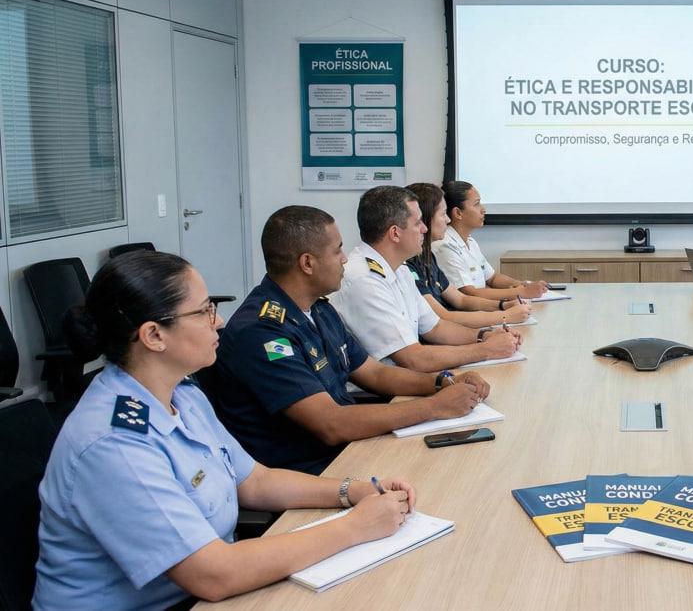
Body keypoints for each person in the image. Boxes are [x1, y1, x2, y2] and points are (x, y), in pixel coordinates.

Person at [34, 251, 417, 609]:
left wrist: (352, 491)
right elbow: (214, 574)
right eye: (203, 312)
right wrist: (355, 527)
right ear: (154, 336)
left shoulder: (183, 393)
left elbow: (254, 482)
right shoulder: (114, 443)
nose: (218, 320)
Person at [210, 205, 491, 475]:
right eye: (337, 250)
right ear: (307, 263)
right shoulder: (262, 332)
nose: (345, 258)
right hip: (314, 470)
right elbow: (331, 424)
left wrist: (442, 382)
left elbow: (374, 372)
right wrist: (435, 406)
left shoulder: (318, 308)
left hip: (352, 450)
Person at [330, 185, 524, 371]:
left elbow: (436, 327)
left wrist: (486, 336)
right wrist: (486, 349)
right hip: (386, 394)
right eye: (418, 223)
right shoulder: (366, 279)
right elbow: (412, 358)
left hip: (410, 378)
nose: (424, 229)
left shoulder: (400, 269)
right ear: (395, 233)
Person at [405, 182, 533, 329]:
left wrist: (504, 304)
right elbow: (443, 316)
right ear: (423, 221)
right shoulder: (411, 263)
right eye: (442, 214)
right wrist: (506, 314)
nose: (447, 220)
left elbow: (461, 299)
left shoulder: (427, 257)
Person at [433, 181, 548, 302]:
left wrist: (521, 284)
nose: (483, 209)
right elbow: (468, 293)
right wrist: (522, 292)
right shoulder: (445, 245)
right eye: (476, 204)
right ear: (458, 213)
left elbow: (492, 278)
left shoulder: (470, 241)